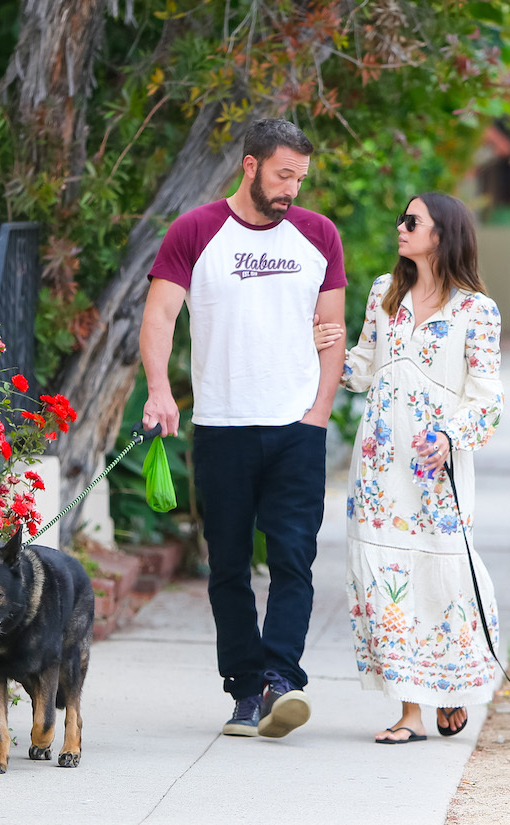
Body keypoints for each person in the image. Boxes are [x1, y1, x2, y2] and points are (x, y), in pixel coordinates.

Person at [140, 118, 346, 739]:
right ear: (250, 166)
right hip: (223, 426)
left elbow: (332, 332)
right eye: (283, 175)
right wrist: (158, 390)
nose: (292, 189)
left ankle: (282, 680)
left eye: (300, 178)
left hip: (296, 429)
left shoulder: (319, 235)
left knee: (294, 559)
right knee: (227, 565)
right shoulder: (195, 230)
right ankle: (245, 690)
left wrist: (318, 412)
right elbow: (160, 316)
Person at [315, 193, 504, 743]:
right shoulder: (384, 292)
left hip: (434, 467)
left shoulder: (477, 311)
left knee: (442, 576)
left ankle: (450, 682)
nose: (400, 227)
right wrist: (322, 347)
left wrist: (449, 436)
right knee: (388, 581)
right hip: (379, 467)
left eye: (412, 221)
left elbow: (487, 399)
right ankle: (410, 713)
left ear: (441, 234)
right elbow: (362, 368)